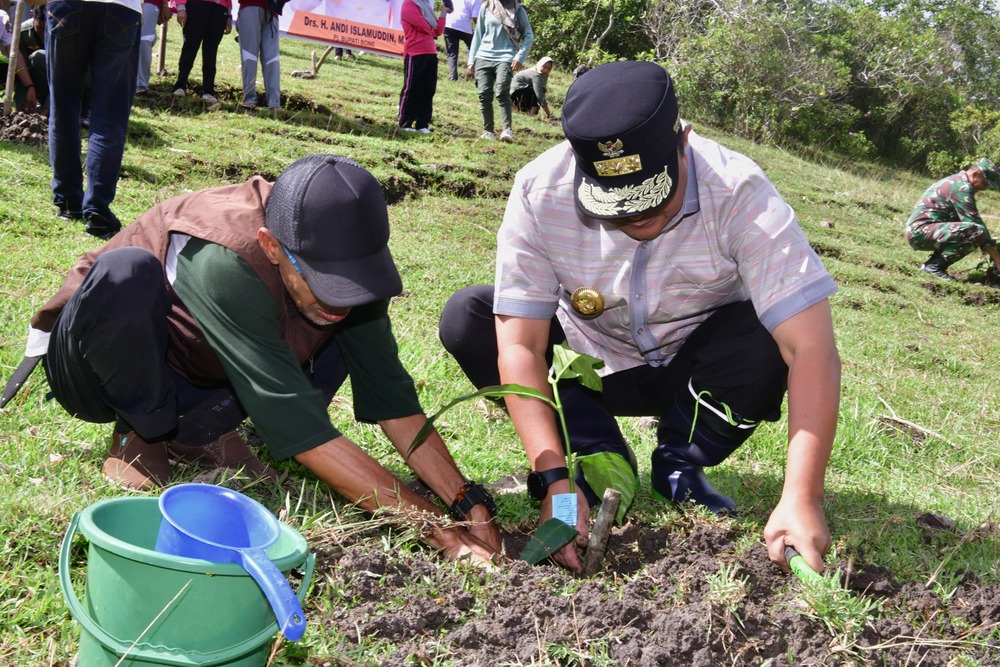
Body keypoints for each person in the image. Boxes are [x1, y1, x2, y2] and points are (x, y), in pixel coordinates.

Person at [439, 61, 841, 574]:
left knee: (771, 332)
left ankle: (680, 460)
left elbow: (811, 348)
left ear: (683, 142)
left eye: (651, 198)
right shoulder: (540, 189)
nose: (635, 219)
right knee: (469, 315)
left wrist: (802, 498)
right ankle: (597, 453)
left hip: (699, 373)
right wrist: (556, 486)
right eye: (615, 206)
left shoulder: (739, 191)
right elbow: (520, 344)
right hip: (592, 369)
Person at [14, 154, 501, 564]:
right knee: (127, 273)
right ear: (272, 245)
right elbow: (303, 431)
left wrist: (466, 501)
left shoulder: (353, 267)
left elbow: (392, 397)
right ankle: (140, 431)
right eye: (322, 281)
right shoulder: (226, 256)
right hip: (99, 362)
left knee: (339, 327)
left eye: (350, 283)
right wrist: (440, 533)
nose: (340, 299)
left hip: (207, 362)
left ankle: (200, 433)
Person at [47, 0, 142, 238]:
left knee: (63, 107)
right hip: (122, 9)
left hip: (67, 9)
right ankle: (98, 212)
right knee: (110, 114)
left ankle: (68, 202)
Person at [905, 158, 1000, 282]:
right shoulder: (961, 188)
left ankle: (931, 264)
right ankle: (934, 267)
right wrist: (998, 260)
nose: (985, 187)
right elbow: (976, 225)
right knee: (976, 232)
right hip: (920, 232)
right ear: (975, 174)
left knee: (970, 230)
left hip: (925, 230)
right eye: (985, 182)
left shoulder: (957, 181)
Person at [466, 0, 532, 143]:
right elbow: (478, 34)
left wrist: (520, 57)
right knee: (484, 93)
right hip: (483, 55)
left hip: (506, 56)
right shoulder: (486, 6)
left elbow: (528, 35)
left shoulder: (518, 9)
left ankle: (507, 130)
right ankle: (488, 130)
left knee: (502, 90)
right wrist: (471, 60)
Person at [398, 0, 449, 134]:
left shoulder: (426, 7)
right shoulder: (409, 4)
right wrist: (432, 28)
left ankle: (422, 124)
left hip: (430, 52)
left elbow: (437, 31)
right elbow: (423, 25)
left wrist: (443, 12)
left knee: (428, 89)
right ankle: (405, 122)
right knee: (412, 88)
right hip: (415, 52)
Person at [172, 0, 232, 106]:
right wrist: (181, 7)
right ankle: (180, 85)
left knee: (211, 51)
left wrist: (229, 14)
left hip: (220, 8)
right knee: (190, 46)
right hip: (197, 4)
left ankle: (208, 91)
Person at [237, 0, 282, 110]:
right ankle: (249, 100)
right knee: (249, 56)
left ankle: (274, 103)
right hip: (250, 5)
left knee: (272, 59)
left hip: (273, 12)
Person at [136, 0, 171, 95]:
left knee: (144, 39)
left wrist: (164, 4)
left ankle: (140, 83)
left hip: (150, 3)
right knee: (143, 39)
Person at [443, 0, 479, 81]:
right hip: (464, 25)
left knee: (452, 52)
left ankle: (452, 76)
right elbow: (475, 17)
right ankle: (471, 70)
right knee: (473, 46)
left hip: (449, 23)